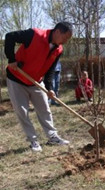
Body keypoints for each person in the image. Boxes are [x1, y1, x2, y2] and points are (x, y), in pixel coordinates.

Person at [4, 22, 73, 152]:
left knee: (44, 109)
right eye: (65, 37)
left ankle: (52, 136)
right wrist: (11, 58)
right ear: (57, 31)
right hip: (16, 78)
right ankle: (33, 141)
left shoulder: (59, 49)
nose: (65, 41)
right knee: (22, 112)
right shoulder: (34, 35)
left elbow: (50, 70)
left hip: (36, 80)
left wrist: (49, 88)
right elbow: (9, 36)